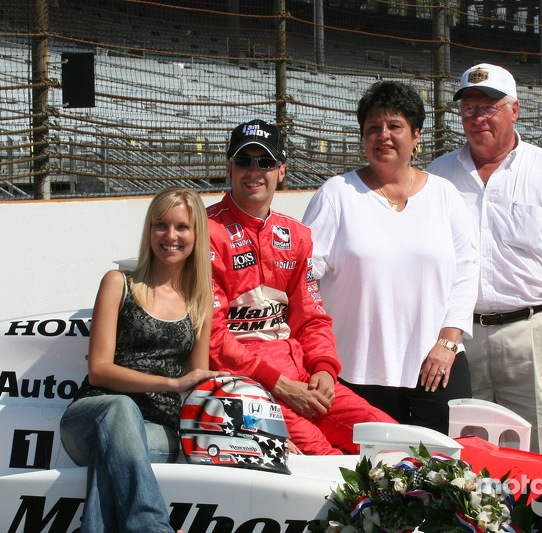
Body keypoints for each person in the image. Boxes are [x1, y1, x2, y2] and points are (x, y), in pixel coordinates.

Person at [427, 63, 542, 461]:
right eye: (469, 108)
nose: (478, 118)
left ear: (515, 110)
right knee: (465, 456)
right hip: (460, 337)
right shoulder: (437, 176)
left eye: (489, 107)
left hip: (533, 332)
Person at [207, 119, 396, 455]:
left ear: (281, 171)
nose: (254, 171)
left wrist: (324, 368)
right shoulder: (205, 231)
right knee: (326, 461)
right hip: (245, 385)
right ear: (229, 168)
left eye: (265, 162)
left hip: (302, 376)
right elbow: (211, 336)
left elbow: (311, 317)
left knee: (392, 441)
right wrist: (279, 384)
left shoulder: (296, 235)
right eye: (243, 161)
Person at [302, 81, 479, 435]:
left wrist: (448, 342)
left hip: (437, 367)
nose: (383, 135)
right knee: (367, 480)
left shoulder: (444, 195)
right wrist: (318, 354)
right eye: (372, 128)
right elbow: (304, 279)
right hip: (356, 372)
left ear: (416, 136)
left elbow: (466, 271)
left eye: (394, 126)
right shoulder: (337, 195)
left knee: (446, 477)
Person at [60, 187, 224, 533]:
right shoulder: (118, 283)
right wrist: (169, 383)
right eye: (160, 225)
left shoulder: (201, 299)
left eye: (182, 227)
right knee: (121, 410)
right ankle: (152, 527)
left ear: (197, 234)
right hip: (92, 416)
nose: (170, 236)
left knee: (112, 460)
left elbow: (197, 378)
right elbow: (99, 370)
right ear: (148, 231)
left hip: (157, 433)